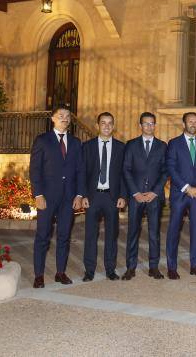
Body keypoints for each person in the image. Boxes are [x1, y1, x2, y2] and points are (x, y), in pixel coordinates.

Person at [29, 105, 85, 288]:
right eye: (61, 115)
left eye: (68, 116)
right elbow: (35, 170)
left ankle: (60, 272)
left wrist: (78, 194)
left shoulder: (76, 143)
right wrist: (38, 194)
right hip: (47, 197)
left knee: (64, 236)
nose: (65, 118)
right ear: (52, 118)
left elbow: (80, 171)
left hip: (68, 198)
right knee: (42, 236)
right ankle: (39, 275)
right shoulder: (42, 140)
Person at [79, 112, 127, 281]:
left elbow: (124, 174)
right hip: (92, 197)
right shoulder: (87, 147)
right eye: (103, 123)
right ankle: (89, 270)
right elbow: (82, 173)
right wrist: (83, 195)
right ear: (97, 125)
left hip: (112, 197)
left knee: (112, 235)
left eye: (110, 123)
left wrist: (123, 195)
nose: (106, 126)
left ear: (113, 126)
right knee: (90, 235)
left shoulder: (121, 147)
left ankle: (110, 269)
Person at [165, 112, 196, 279]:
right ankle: (171, 267)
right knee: (174, 231)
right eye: (190, 121)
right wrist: (186, 187)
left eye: (195, 122)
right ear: (184, 124)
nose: (193, 124)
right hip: (180, 194)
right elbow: (171, 167)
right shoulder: (174, 143)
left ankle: (195, 265)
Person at [122, 112, 168, 280]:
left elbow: (165, 171)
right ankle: (130, 267)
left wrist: (154, 192)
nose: (149, 126)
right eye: (146, 124)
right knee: (133, 232)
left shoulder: (162, 146)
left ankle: (154, 267)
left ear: (155, 125)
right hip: (136, 197)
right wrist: (135, 192)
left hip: (154, 197)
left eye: (152, 124)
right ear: (140, 126)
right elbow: (126, 169)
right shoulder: (131, 145)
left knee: (154, 233)